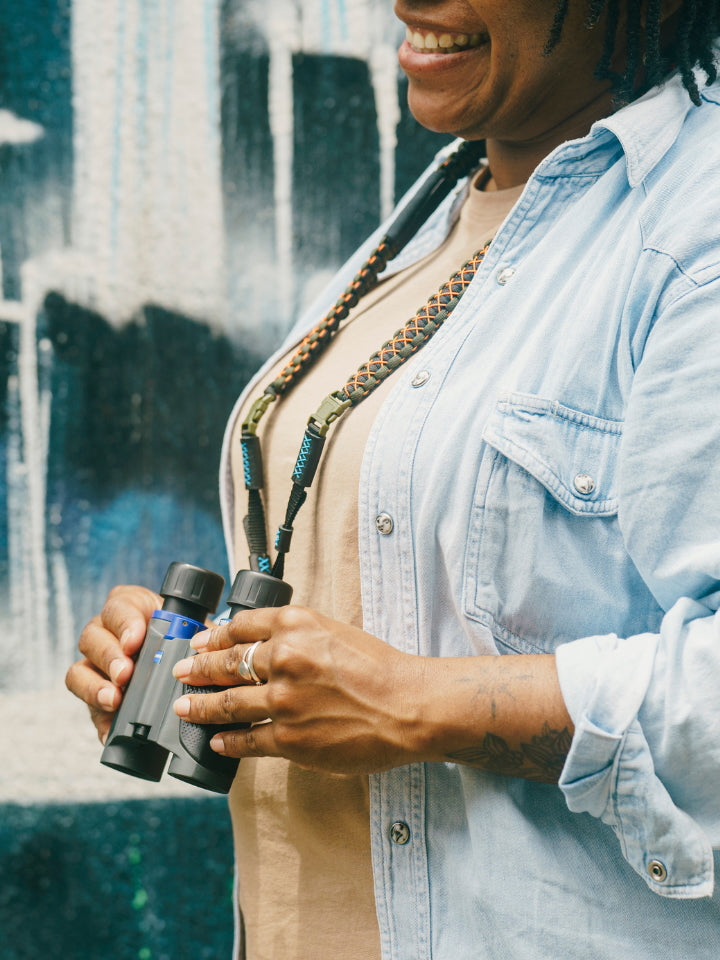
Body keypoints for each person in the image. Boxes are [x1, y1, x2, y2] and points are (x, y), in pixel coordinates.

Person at [67, 1, 720, 957]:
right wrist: (191, 668)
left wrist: (413, 703)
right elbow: (413, 591)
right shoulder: (441, 213)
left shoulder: (692, 235)